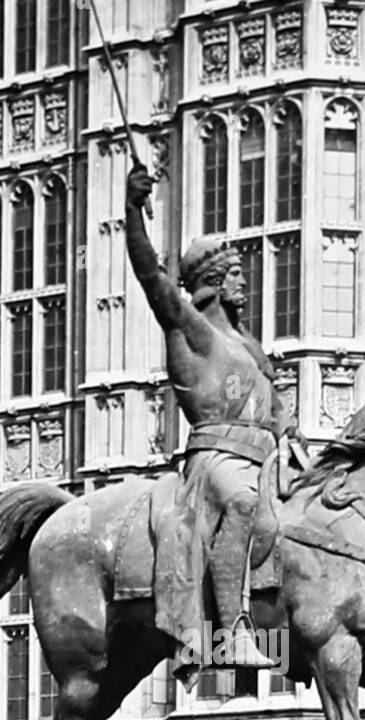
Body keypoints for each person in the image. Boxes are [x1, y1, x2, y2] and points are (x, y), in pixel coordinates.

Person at [126, 161, 300, 672]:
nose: (246, 281)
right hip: (217, 461)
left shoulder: (249, 345)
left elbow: (274, 410)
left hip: (266, 458)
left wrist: (289, 436)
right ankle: (230, 633)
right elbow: (149, 275)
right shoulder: (193, 330)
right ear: (214, 282)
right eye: (236, 274)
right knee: (243, 504)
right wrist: (133, 209)